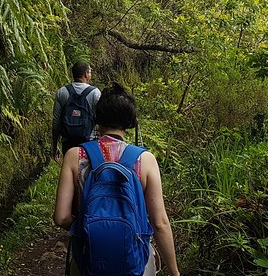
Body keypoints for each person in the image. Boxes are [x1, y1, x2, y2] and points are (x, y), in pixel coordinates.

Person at [53, 83, 181, 276]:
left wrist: (88, 230)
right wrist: (174, 272)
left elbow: (61, 217)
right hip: (134, 263)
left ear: (97, 118)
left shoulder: (75, 155)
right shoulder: (144, 160)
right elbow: (160, 223)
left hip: (88, 260)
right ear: (131, 123)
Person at [51, 61, 101, 161]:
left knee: (70, 171)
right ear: (86, 74)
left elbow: (56, 123)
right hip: (89, 142)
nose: (91, 75)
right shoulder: (95, 93)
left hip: (68, 142)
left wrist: (55, 145)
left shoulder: (62, 92)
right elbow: (101, 120)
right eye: (90, 72)